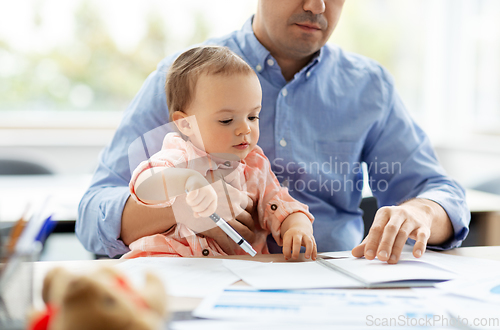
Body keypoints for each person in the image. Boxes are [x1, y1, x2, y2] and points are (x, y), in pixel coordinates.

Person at [77, 0, 470, 264]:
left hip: (329, 286)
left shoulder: (370, 87)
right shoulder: (184, 79)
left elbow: (441, 192)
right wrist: (184, 209)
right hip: (195, 275)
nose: (316, 6)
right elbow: (94, 212)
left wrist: (421, 212)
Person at [122, 46, 316, 260]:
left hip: (235, 271)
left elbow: (280, 204)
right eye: (226, 120)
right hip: (168, 262)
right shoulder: (181, 154)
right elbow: (143, 184)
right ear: (186, 124)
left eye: (253, 117)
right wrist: (188, 180)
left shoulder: (255, 165)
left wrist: (298, 227)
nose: (246, 129)